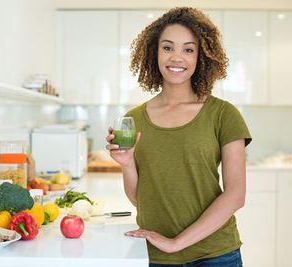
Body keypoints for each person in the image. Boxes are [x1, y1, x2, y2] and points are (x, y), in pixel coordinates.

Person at [106, 7, 252, 267]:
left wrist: (176, 243)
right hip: (156, 255)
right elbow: (142, 199)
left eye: (188, 49)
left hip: (215, 255)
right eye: (167, 47)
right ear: (154, 52)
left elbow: (236, 195)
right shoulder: (134, 119)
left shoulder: (223, 114)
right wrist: (127, 165)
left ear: (201, 57)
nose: (176, 58)